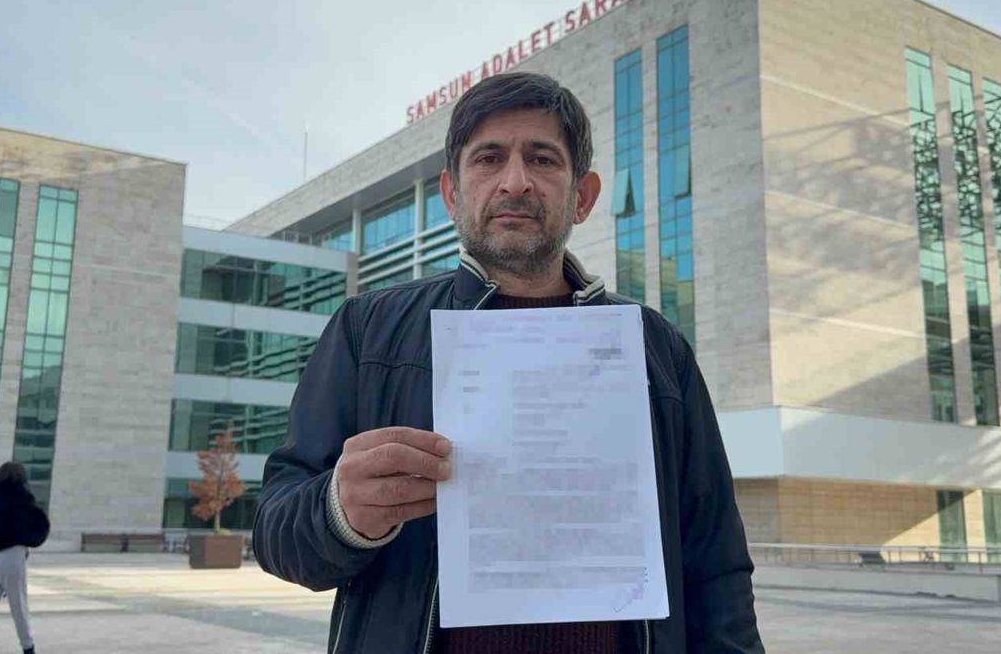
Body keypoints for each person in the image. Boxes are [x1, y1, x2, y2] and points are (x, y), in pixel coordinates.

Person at [254, 71, 763, 653]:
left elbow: (716, 564)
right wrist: (340, 513)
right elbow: (274, 532)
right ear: (452, 194)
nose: (515, 181)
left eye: (542, 159)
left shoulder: (658, 349)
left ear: (583, 196)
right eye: (489, 158)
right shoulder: (367, 332)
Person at [0, 462, 50, 654]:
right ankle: (28, 647)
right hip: (11, 555)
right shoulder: (20, 496)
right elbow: (39, 523)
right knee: (19, 606)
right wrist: (28, 540)